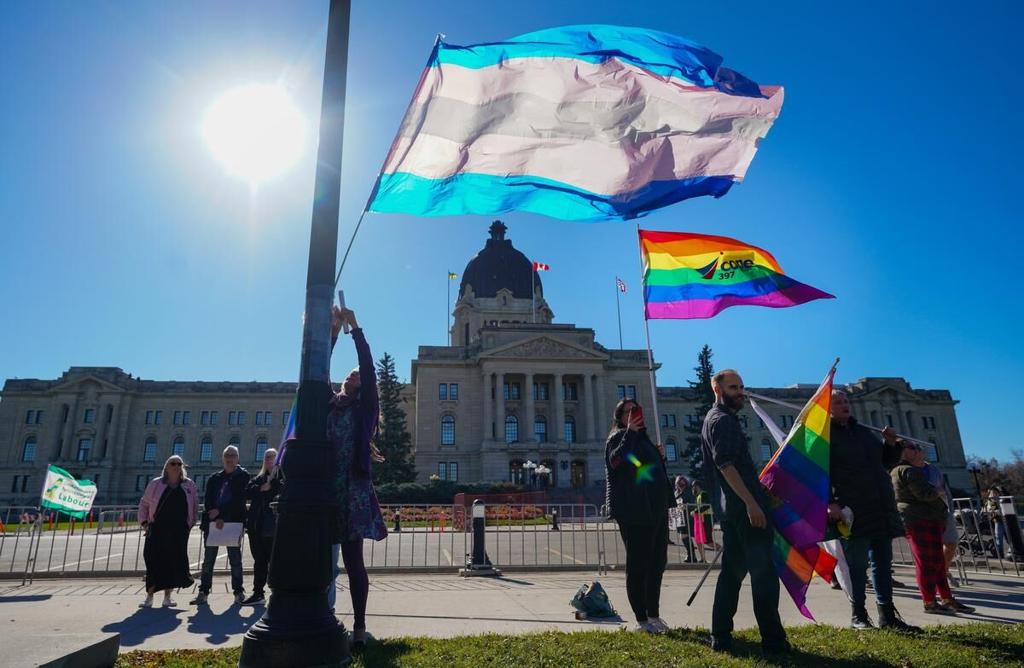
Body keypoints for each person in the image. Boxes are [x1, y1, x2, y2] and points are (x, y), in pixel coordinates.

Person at [701, 369, 789, 655]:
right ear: (718, 389)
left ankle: (721, 636)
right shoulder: (722, 421)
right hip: (745, 510)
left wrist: (761, 494)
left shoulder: (718, 419)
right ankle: (773, 641)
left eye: (741, 386)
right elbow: (726, 465)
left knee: (732, 574)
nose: (739, 391)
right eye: (733, 387)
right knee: (763, 574)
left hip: (735, 509)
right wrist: (752, 502)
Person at [326, 306, 387, 650]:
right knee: (321, 561)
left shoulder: (366, 410)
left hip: (353, 491)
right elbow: (319, 371)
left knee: (353, 564)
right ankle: (323, 614)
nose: (352, 376)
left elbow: (368, 366)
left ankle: (360, 627)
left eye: (356, 376)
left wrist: (354, 327)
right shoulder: (327, 403)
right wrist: (334, 333)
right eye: (348, 374)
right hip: (324, 490)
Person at [605, 397, 672, 633]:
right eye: (628, 411)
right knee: (638, 565)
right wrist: (631, 434)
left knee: (656, 563)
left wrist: (658, 458)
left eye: (637, 410)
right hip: (634, 510)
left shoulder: (643, 442)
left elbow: (644, 472)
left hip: (655, 508)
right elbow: (616, 461)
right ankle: (641, 620)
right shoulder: (617, 438)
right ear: (620, 417)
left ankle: (654, 615)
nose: (634, 414)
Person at [891, 441, 975, 614]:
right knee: (927, 563)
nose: (920, 451)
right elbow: (924, 494)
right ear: (905, 452)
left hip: (925, 518)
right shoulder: (908, 471)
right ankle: (930, 601)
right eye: (914, 448)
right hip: (920, 519)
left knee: (935, 561)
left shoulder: (904, 470)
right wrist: (938, 491)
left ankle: (946, 598)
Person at [191, 445, 250, 605]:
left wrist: (221, 514)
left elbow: (239, 500)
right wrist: (213, 513)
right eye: (227, 456)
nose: (230, 458)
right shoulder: (214, 478)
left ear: (238, 458)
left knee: (235, 559)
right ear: (222, 458)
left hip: (232, 523)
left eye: (233, 455)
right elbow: (208, 499)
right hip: (213, 524)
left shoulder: (243, 477)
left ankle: (238, 592)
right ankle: (203, 591)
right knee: (208, 560)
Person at [138, 455, 198, 608]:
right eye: (173, 463)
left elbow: (194, 505)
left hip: (178, 531)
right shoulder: (156, 484)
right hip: (157, 529)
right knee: (153, 562)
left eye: (179, 464)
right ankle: (149, 597)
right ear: (166, 466)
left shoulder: (188, 484)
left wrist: (190, 524)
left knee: (172, 563)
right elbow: (144, 504)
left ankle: (167, 597)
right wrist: (144, 523)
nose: (176, 466)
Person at [242, 447, 281, 605]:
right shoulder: (259, 479)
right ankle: (258, 593)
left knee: (276, 561)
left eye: (272, 457)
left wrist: (273, 485)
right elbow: (246, 492)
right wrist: (260, 488)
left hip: (274, 527)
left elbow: (285, 491)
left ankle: (279, 593)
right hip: (257, 526)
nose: (269, 460)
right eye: (267, 457)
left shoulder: (282, 478)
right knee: (259, 560)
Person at [673, 476, 696, 562]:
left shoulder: (689, 492)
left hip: (687, 517)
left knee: (685, 536)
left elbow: (693, 503)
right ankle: (691, 555)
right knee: (683, 536)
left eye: (683, 483)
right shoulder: (676, 493)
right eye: (679, 483)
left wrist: (686, 506)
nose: (681, 485)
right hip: (680, 517)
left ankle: (691, 555)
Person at [691, 480, 714, 563]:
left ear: (697, 486)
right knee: (699, 540)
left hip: (706, 519)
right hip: (700, 521)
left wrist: (695, 511)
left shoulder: (703, 494)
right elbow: (699, 507)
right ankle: (703, 559)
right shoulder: (698, 496)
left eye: (694, 486)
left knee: (708, 541)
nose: (693, 488)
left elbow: (705, 506)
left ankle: (724, 550)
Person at [986, 486, 1007, 559]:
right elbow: (989, 510)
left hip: (1005, 520)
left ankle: (1012, 552)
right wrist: (995, 511)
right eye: (993, 493)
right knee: (999, 537)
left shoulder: (1002, 499)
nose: (994, 494)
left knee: (1008, 537)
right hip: (997, 521)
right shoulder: (990, 501)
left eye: (996, 493)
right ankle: (1000, 554)